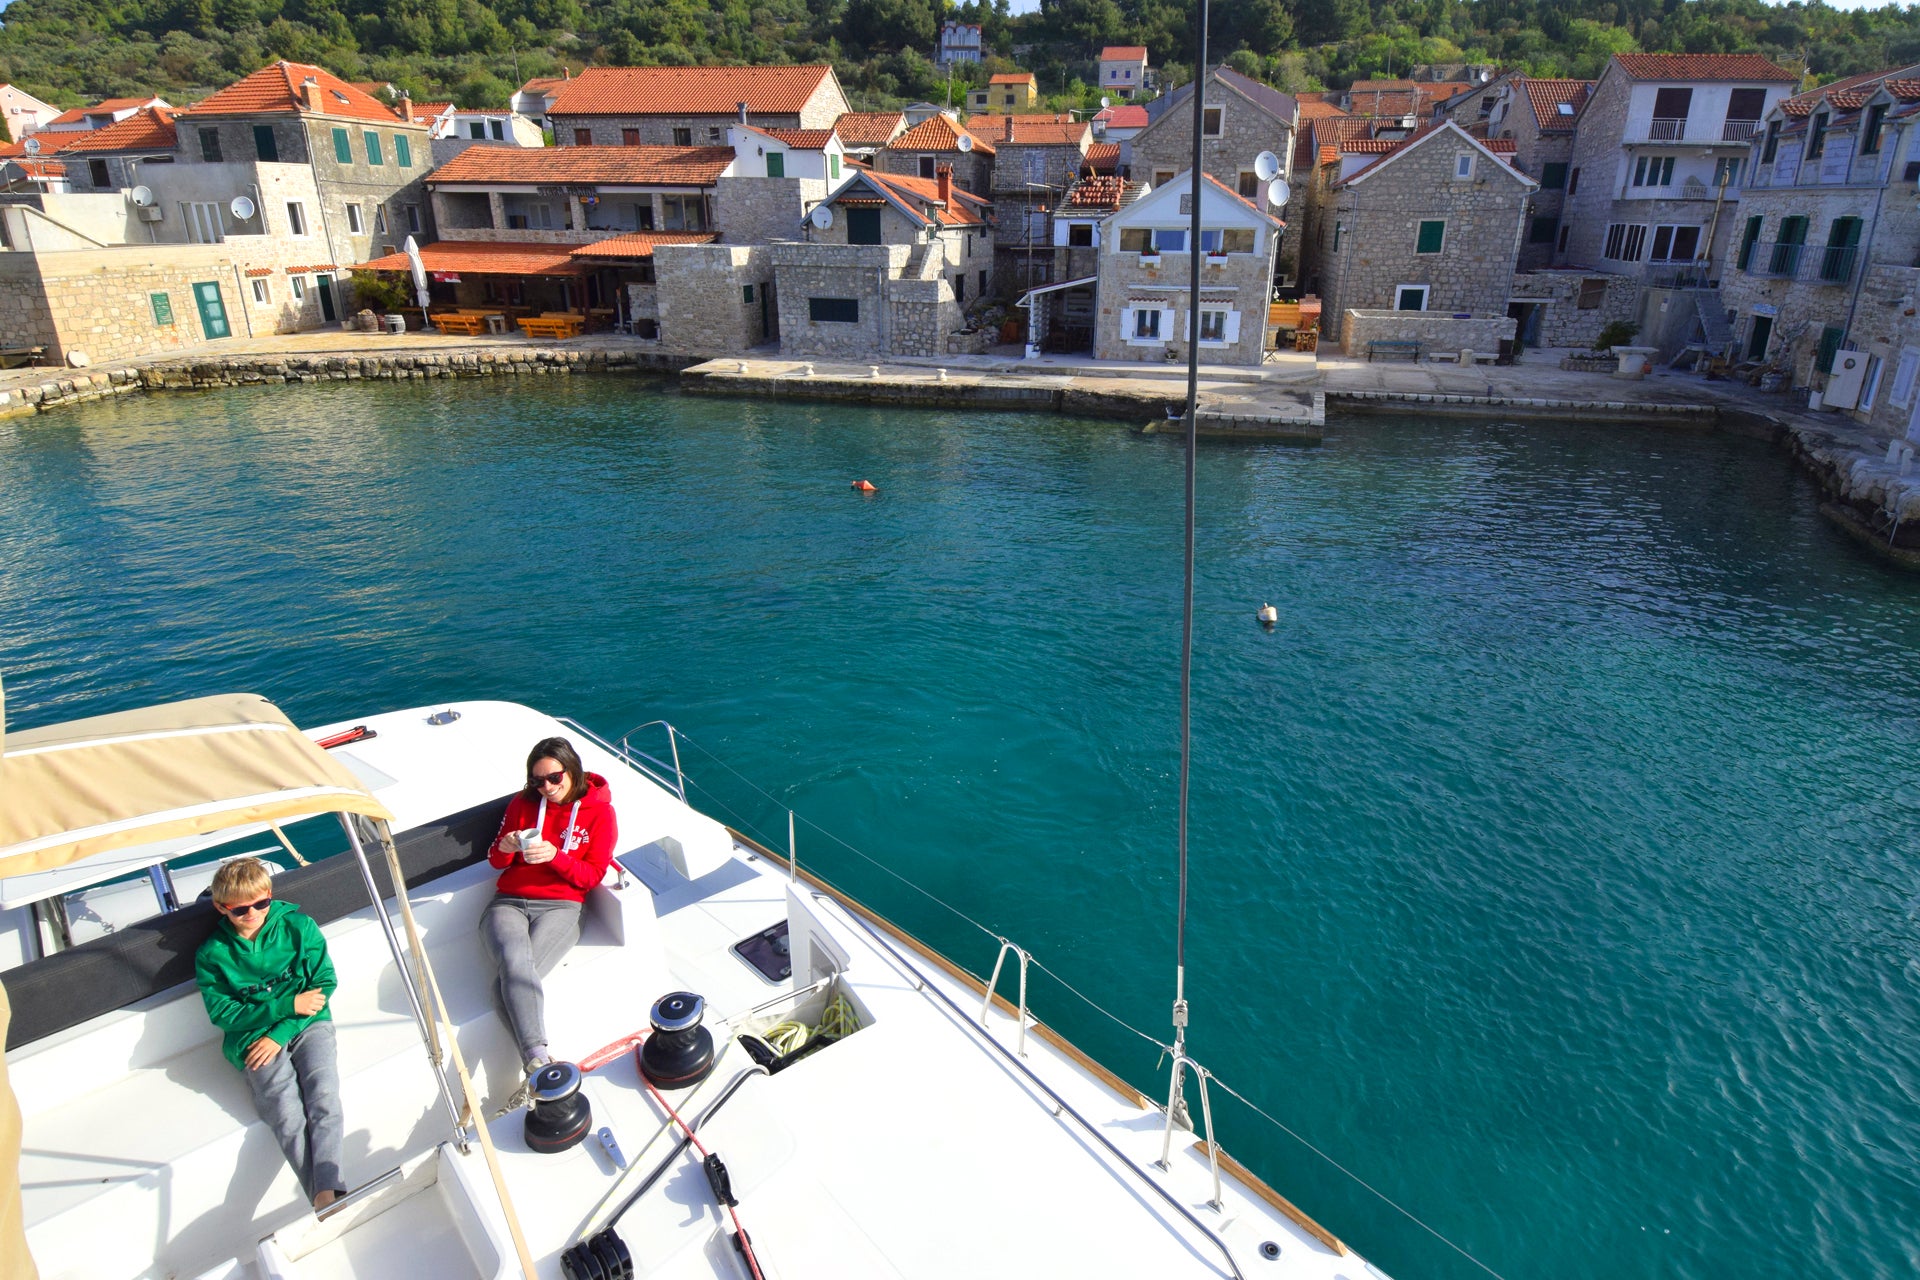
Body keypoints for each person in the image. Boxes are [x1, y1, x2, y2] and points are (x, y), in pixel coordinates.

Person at [195, 857, 346, 1210]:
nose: (253, 914)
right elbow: (224, 1014)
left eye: (261, 904)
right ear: (221, 908)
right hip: (252, 1036)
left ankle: (325, 1192)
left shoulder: (298, 926)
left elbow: (323, 982)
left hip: (308, 1022)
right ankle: (327, 1193)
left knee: (323, 1094)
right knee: (285, 1110)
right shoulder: (212, 954)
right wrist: (286, 1006)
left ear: (269, 895)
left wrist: (282, 1028)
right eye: (240, 909)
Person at [480, 736, 618, 1077]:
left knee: (505, 987)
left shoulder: (601, 813)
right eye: (537, 781)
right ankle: (539, 1062)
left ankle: (535, 1063)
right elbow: (496, 862)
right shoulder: (521, 805)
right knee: (515, 963)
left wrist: (556, 857)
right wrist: (508, 845)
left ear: (572, 770)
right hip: (508, 902)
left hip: (562, 906)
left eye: (554, 777)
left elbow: (590, 877)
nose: (546, 787)